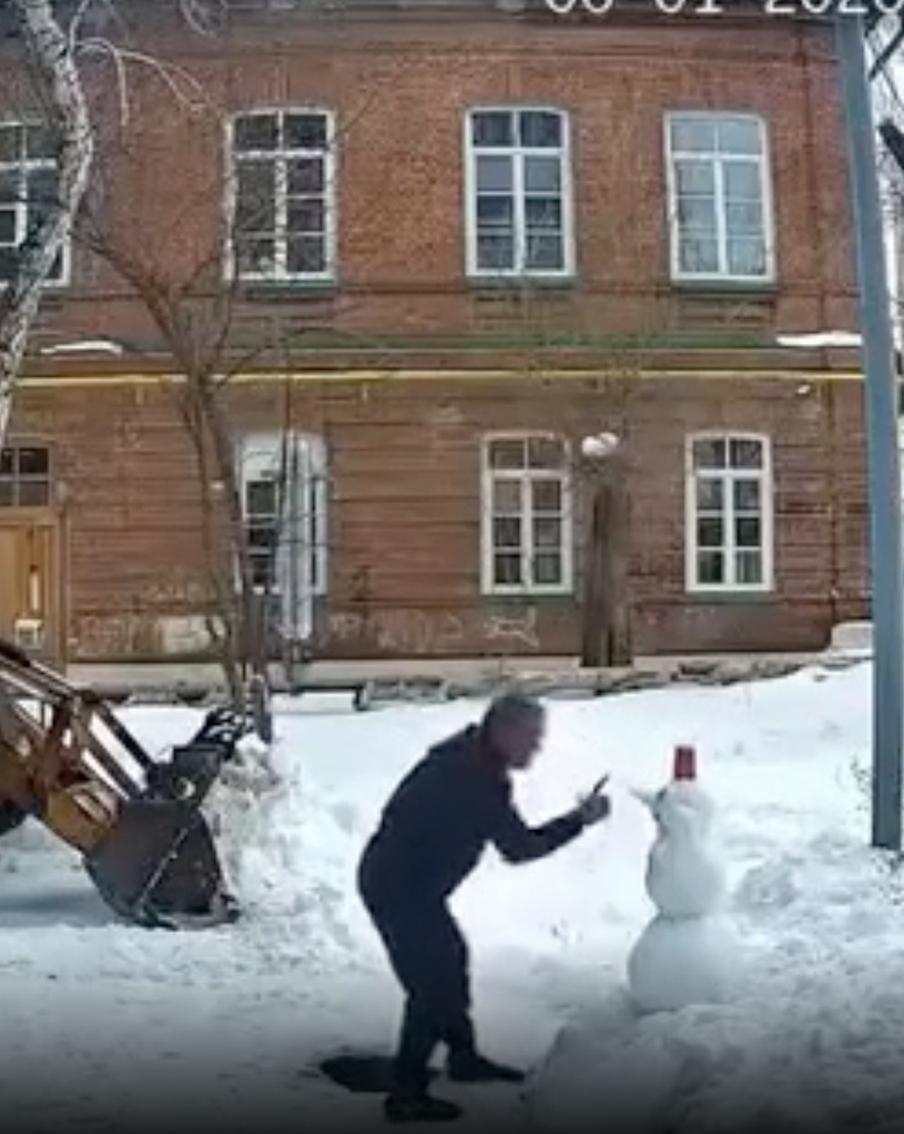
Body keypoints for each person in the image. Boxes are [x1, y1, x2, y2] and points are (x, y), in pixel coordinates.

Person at [357, 693, 611, 1124]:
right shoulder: (470, 777)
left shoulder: (472, 760)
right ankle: (406, 1093)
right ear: (503, 732)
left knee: (451, 962)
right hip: (399, 888)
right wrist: (578, 821)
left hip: (412, 887)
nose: (536, 748)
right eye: (531, 738)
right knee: (432, 988)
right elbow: (518, 847)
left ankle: (464, 1057)